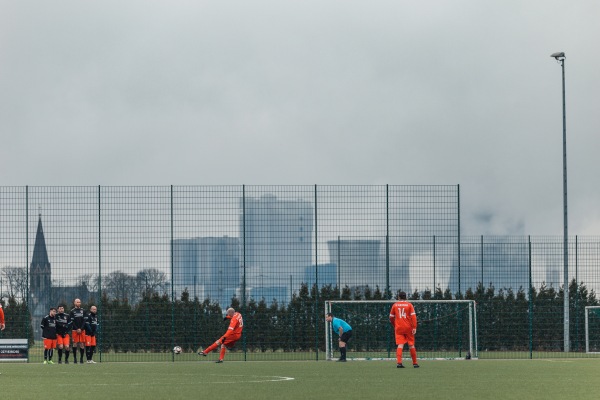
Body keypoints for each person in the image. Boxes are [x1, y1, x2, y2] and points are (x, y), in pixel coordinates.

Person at [389, 291, 419, 368]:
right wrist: (414, 327)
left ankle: (399, 363)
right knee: (411, 345)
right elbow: (413, 317)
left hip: (399, 328)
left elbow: (391, 317)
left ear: (398, 297)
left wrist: (395, 325)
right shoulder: (409, 305)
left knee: (400, 345)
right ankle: (415, 363)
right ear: (406, 297)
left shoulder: (395, 305)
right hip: (408, 327)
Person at [69, 298, 86, 364]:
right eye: (77, 302)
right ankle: (75, 359)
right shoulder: (72, 311)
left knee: (82, 344)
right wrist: (77, 328)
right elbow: (72, 321)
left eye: (79, 302)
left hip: (82, 330)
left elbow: (84, 321)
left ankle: (81, 359)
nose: (79, 303)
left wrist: (81, 329)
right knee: (75, 344)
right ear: (74, 303)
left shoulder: (83, 311)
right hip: (74, 330)